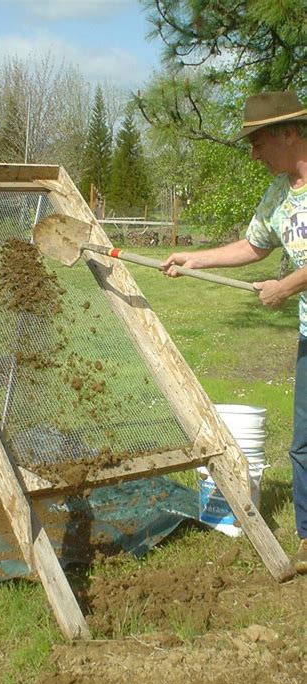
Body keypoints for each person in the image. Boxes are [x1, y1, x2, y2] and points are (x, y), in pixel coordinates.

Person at [161, 91, 307, 574]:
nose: (254, 152)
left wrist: (286, 286)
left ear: (288, 132)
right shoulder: (279, 194)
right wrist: (194, 258)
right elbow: (253, 244)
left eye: (258, 140)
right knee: (302, 446)